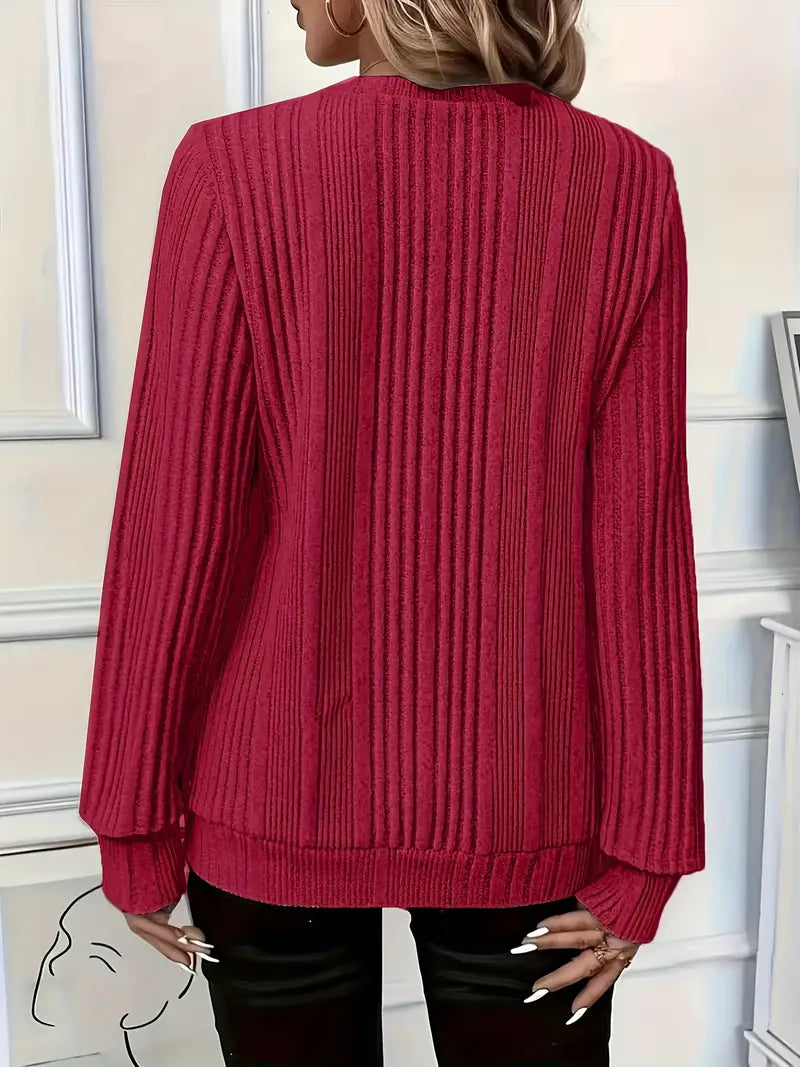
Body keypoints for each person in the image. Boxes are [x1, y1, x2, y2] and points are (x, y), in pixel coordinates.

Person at [78, 0, 705, 1062]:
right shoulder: (624, 179)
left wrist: (132, 817)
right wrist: (646, 851)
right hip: (526, 794)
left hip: (273, 793)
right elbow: (635, 540)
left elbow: (175, 526)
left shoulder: (231, 167)